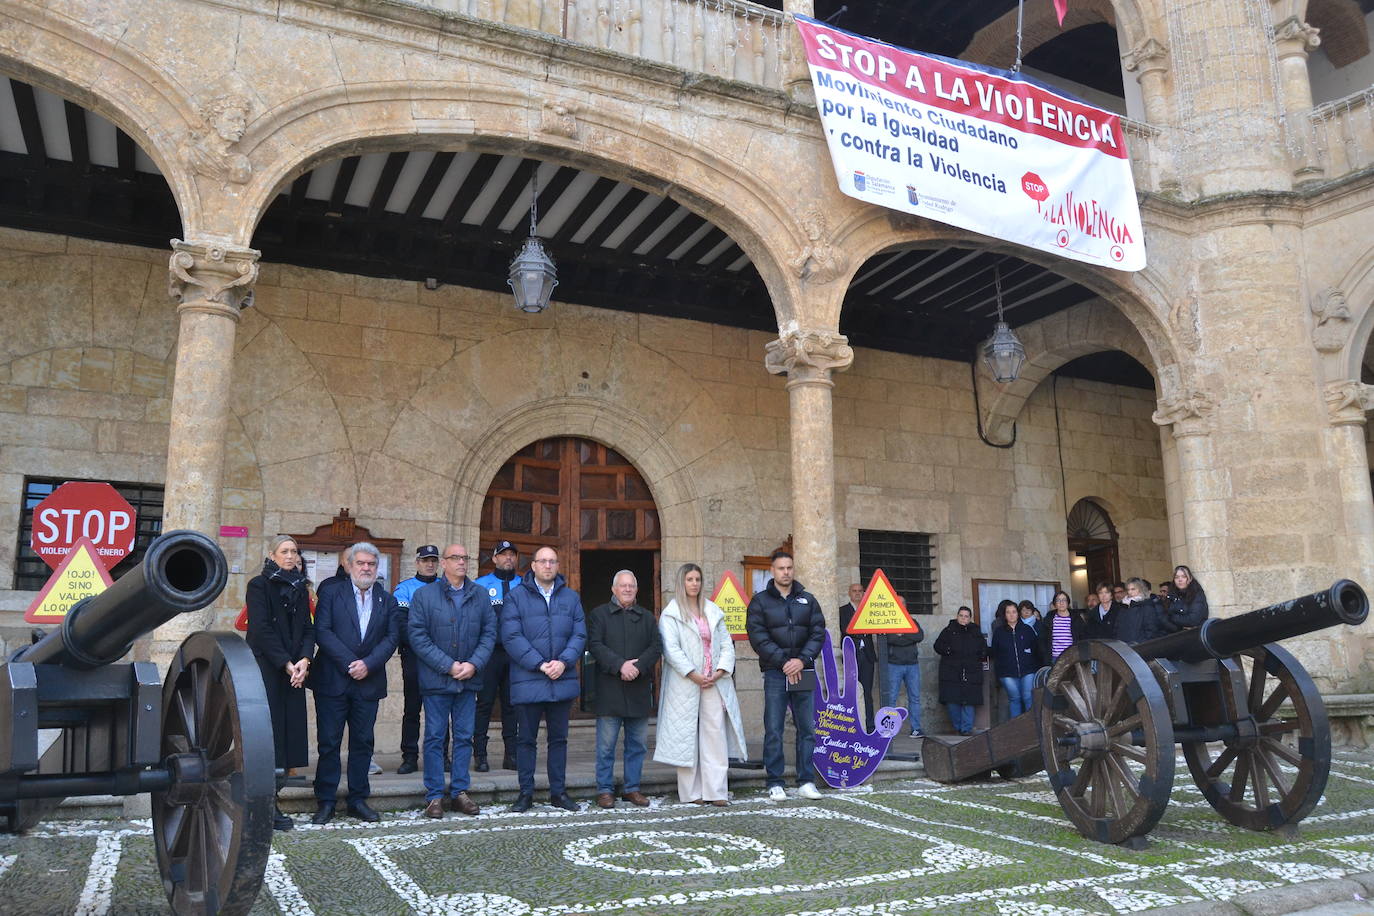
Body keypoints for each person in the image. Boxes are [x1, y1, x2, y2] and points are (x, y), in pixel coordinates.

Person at [309, 542, 399, 824]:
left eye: (371, 564)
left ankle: (358, 799)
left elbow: (391, 638)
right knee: (329, 742)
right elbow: (322, 631)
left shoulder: (387, 600)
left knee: (363, 743)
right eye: (360, 563)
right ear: (349, 566)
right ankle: (326, 801)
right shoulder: (331, 592)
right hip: (333, 680)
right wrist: (351, 663)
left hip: (368, 682)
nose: (366, 568)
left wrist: (368, 664)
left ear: (377, 567)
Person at [407, 543, 495, 818]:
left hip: (468, 679)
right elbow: (418, 636)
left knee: (464, 737)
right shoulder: (424, 595)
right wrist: (448, 665)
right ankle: (434, 796)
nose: (461, 562)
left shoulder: (480, 594)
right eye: (455, 557)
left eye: (464, 557)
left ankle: (459, 792)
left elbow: (489, 633)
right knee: (435, 737)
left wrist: (473, 664)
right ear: (443, 563)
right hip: (436, 680)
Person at [501, 546, 586, 812]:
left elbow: (579, 634)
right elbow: (511, 636)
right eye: (543, 561)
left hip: (561, 678)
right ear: (533, 566)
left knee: (558, 741)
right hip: (529, 680)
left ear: (558, 566)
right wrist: (539, 664)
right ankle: (525, 794)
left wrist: (564, 662)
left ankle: (558, 793)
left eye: (552, 561)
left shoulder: (571, 597)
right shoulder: (515, 597)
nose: (548, 566)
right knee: (526, 741)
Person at [656, 563, 748, 806]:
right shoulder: (671, 613)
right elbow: (671, 649)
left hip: (713, 681)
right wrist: (693, 674)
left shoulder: (713, 611)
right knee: (686, 735)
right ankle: (691, 793)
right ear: (682, 582)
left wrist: (719, 672)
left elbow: (726, 644)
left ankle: (716, 791)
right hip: (685, 682)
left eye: (697, 579)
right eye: (690, 579)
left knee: (714, 733)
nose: (694, 583)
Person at [245, 535, 314, 831]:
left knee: (291, 735)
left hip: (295, 671)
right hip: (269, 668)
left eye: (294, 552)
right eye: (284, 551)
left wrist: (305, 660)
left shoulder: (300, 587)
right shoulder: (258, 585)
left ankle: (277, 794)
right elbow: (260, 629)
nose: (290, 556)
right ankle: (265, 803)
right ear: (272, 555)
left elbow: (308, 629)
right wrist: (286, 663)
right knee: (270, 734)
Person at [745, 549, 826, 801]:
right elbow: (758, 637)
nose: (786, 572)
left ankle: (806, 781)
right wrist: (784, 662)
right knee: (774, 728)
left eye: (789, 568)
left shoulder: (808, 600)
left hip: (804, 670)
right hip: (775, 672)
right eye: (781, 568)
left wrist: (801, 661)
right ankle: (775, 782)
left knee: (807, 728)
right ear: (772, 571)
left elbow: (817, 633)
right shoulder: (760, 602)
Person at [587, 570, 662, 809]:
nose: (627, 589)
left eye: (631, 586)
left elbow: (656, 646)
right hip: (609, 689)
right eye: (623, 585)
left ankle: (632, 789)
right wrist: (620, 665)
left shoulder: (647, 617)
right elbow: (595, 645)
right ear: (614, 589)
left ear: (636, 590)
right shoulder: (599, 615)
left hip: (638, 689)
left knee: (637, 746)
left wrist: (637, 667)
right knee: (606, 747)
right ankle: (604, 790)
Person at [392, 544, 442, 776]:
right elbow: (401, 624)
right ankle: (409, 757)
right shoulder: (405, 588)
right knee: (412, 708)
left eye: (433, 560)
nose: (429, 564)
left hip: (441, 658)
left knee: (440, 709)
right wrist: (423, 647)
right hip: (414, 656)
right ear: (417, 562)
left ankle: (441, 756)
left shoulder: (446, 586)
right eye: (425, 560)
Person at [473, 540, 521, 772]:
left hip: (515, 656)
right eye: (503, 554)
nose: (508, 558)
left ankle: (511, 755)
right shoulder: (480, 585)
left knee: (512, 706)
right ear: (494, 558)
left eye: (512, 554)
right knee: (484, 705)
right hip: (489, 655)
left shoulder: (525, 584)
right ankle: (480, 755)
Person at [933, 606, 986, 736]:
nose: (963, 618)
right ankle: (958, 727)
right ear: (957, 616)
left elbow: (983, 648)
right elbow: (938, 646)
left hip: (971, 671)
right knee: (952, 701)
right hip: (951, 671)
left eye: (966, 616)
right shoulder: (948, 630)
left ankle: (966, 729)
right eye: (961, 615)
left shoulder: (975, 631)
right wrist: (949, 650)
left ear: (970, 618)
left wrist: (981, 654)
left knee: (969, 702)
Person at [990, 599, 1042, 719]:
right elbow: (995, 653)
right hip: (1007, 673)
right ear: (1004, 615)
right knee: (1015, 699)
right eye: (1008, 612)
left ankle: (1031, 725)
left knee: (1028, 697)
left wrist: (1035, 666)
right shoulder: (999, 632)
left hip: (1028, 670)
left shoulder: (1027, 629)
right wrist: (1000, 673)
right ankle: (1017, 727)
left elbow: (1036, 650)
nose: (1011, 615)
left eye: (1014, 612)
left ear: (1018, 613)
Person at [837, 583, 878, 731]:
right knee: (849, 691)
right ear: (849, 593)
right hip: (850, 655)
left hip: (867, 656)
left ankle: (869, 725)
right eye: (854, 591)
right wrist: (862, 631)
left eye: (860, 591)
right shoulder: (842, 611)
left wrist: (860, 631)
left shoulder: (869, 610)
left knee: (867, 691)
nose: (857, 593)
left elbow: (874, 627)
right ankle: (850, 725)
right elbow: (846, 629)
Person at [883, 607, 924, 739]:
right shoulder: (889, 622)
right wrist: (909, 636)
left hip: (912, 665)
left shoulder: (913, 622)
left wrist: (902, 634)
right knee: (891, 697)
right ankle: (889, 730)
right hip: (894, 664)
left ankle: (916, 729)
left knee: (915, 697)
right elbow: (890, 639)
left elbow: (919, 636)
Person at [1039, 590, 1082, 664]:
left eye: (1064, 600)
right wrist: (1045, 654)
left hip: (1072, 656)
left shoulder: (1076, 618)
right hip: (1055, 657)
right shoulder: (1049, 618)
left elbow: (1082, 637)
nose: (1061, 603)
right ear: (1055, 604)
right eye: (1058, 600)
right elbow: (1042, 638)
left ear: (1068, 603)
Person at [1117, 577, 1163, 645]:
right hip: (1124, 646)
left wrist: (1142, 644)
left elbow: (1151, 630)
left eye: (1133, 589)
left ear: (1140, 589)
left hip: (1140, 646)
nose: (1130, 592)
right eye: (1128, 589)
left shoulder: (1147, 606)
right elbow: (1118, 627)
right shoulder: (1123, 606)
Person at [1163, 565, 1209, 631]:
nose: (1180, 580)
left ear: (1190, 578)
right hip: (1176, 633)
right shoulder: (1172, 594)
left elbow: (1193, 620)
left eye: (1184, 576)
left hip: (1194, 633)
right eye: (1176, 577)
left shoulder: (1196, 594)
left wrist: (1172, 617)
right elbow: (1165, 615)